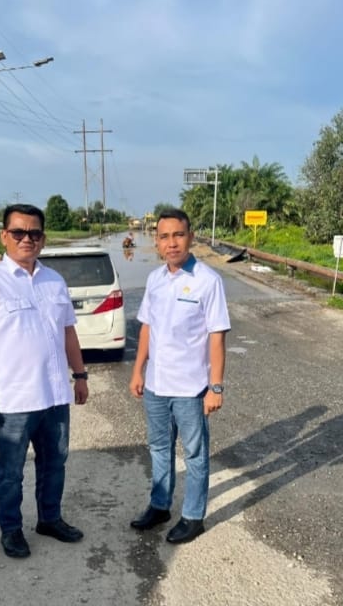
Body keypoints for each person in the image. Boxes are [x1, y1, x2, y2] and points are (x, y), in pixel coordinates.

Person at [0, 203, 89, 559]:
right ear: (5, 236)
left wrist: (80, 376)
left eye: (34, 233)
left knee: (55, 464)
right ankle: (11, 529)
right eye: (18, 232)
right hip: (16, 400)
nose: (26, 239)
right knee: (10, 472)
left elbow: (68, 333)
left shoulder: (54, 281)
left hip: (55, 396)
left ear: (43, 239)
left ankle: (50, 519)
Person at [129, 208, 230, 544]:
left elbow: (217, 336)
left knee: (195, 454)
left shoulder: (208, 281)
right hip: (156, 385)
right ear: (156, 242)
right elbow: (147, 327)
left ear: (191, 237)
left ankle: (193, 516)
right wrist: (138, 370)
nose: (171, 243)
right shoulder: (155, 279)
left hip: (191, 388)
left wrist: (215, 387)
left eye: (178, 235)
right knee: (159, 448)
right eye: (164, 236)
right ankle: (160, 506)